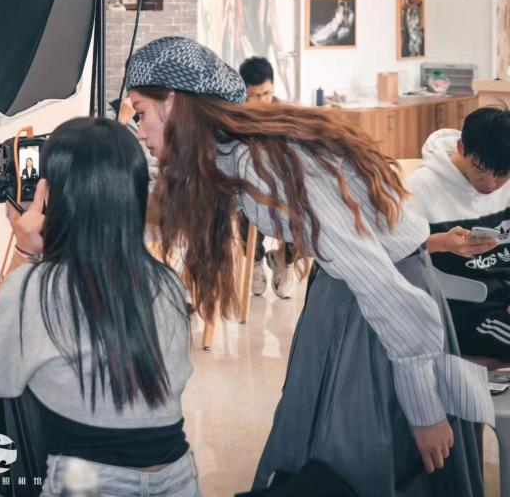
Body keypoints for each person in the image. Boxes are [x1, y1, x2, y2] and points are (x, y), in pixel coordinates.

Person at [124, 36, 492, 496]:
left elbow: (381, 285)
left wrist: (424, 408)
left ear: (173, 102)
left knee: (353, 468)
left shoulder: (260, 162)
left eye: (140, 113)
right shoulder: (237, 153)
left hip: (382, 313)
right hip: (349, 299)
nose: (140, 130)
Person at [0, 117, 199, 497]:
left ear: (50, 195)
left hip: (90, 480)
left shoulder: (40, 288)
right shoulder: (166, 283)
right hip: (179, 476)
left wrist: (24, 253)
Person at [405, 107, 510, 362]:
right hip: (463, 310)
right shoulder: (419, 188)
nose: (491, 184)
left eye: (503, 175)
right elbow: (389, 253)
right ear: (462, 148)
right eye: (481, 169)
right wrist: (439, 242)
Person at [237, 57, 295, 298]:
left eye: (267, 93)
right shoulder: (235, 119)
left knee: (304, 208)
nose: (262, 101)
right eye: (254, 95)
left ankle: (284, 260)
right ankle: (256, 261)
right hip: (250, 186)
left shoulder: (287, 116)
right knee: (242, 205)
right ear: (243, 92)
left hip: (283, 187)